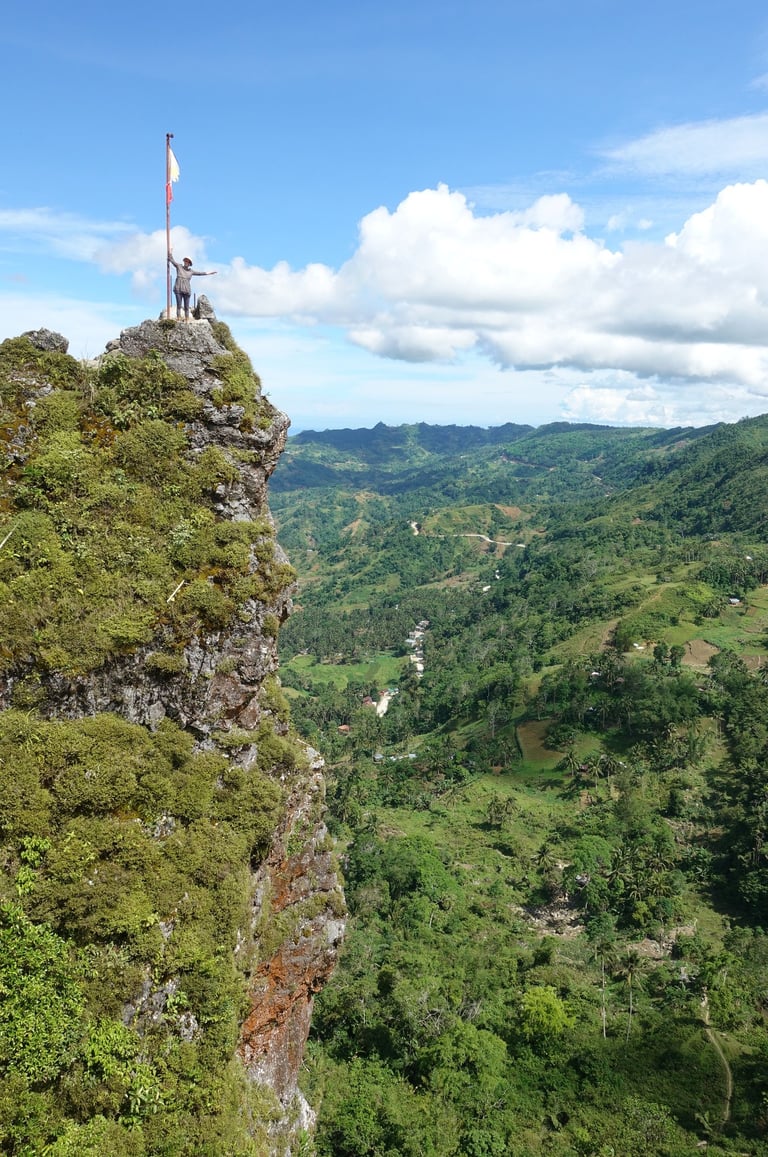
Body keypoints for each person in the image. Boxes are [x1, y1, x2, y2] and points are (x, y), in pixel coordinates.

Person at [167, 252, 217, 320]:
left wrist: (209, 273)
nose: (186, 262)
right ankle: (178, 318)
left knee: (186, 307)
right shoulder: (179, 266)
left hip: (187, 290)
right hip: (178, 288)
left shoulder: (191, 271)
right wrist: (170, 252)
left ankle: (187, 319)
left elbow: (200, 273)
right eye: (185, 261)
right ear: (184, 261)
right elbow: (172, 261)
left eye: (188, 261)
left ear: (190, 263)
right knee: (179, 305)